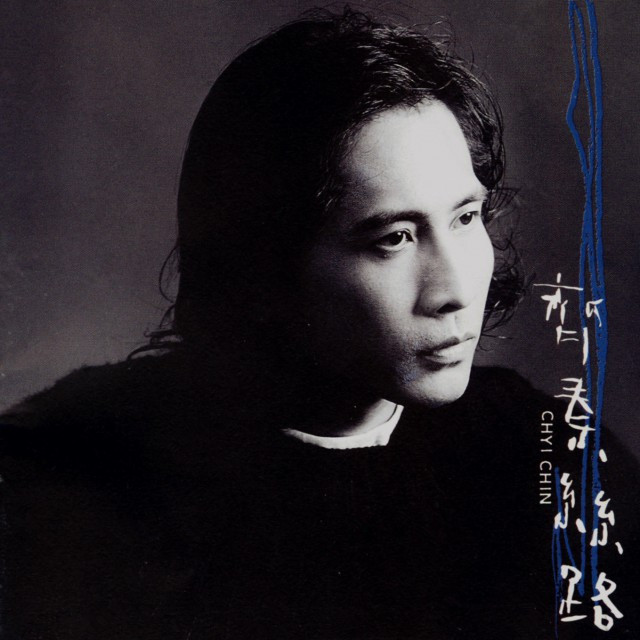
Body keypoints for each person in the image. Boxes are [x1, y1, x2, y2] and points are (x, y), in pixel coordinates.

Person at [1, 9, 637, 639]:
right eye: (394, 238)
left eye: (466, 218)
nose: (455, 290)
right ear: (263, 263)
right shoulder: (65, 479)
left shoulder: (553, 454)